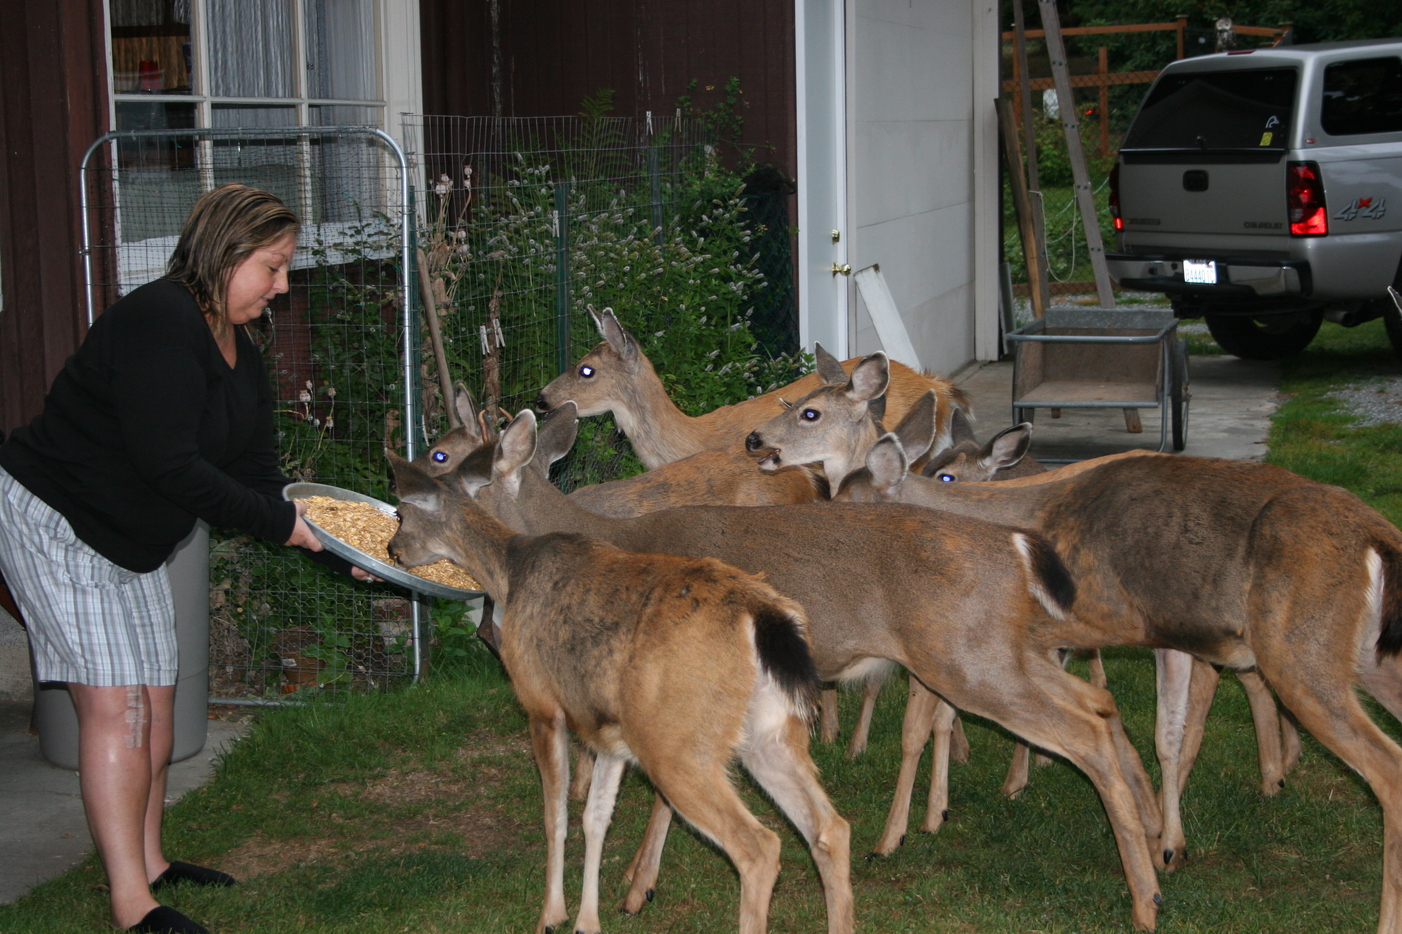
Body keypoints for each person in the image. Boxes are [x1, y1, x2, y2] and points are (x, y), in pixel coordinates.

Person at [0, 183, 372, 934]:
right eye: (272, 267)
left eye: (285, 268)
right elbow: (170, 465)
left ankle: (152, 862)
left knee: (158, 704)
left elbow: (262, 481)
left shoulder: (243, 356)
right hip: (60, 517)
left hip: (129, 536)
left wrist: (339, 550)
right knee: (118, 708)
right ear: (225, 252)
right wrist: (283, 526)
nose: (282, 287)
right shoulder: (160, 322)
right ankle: (131, 906)